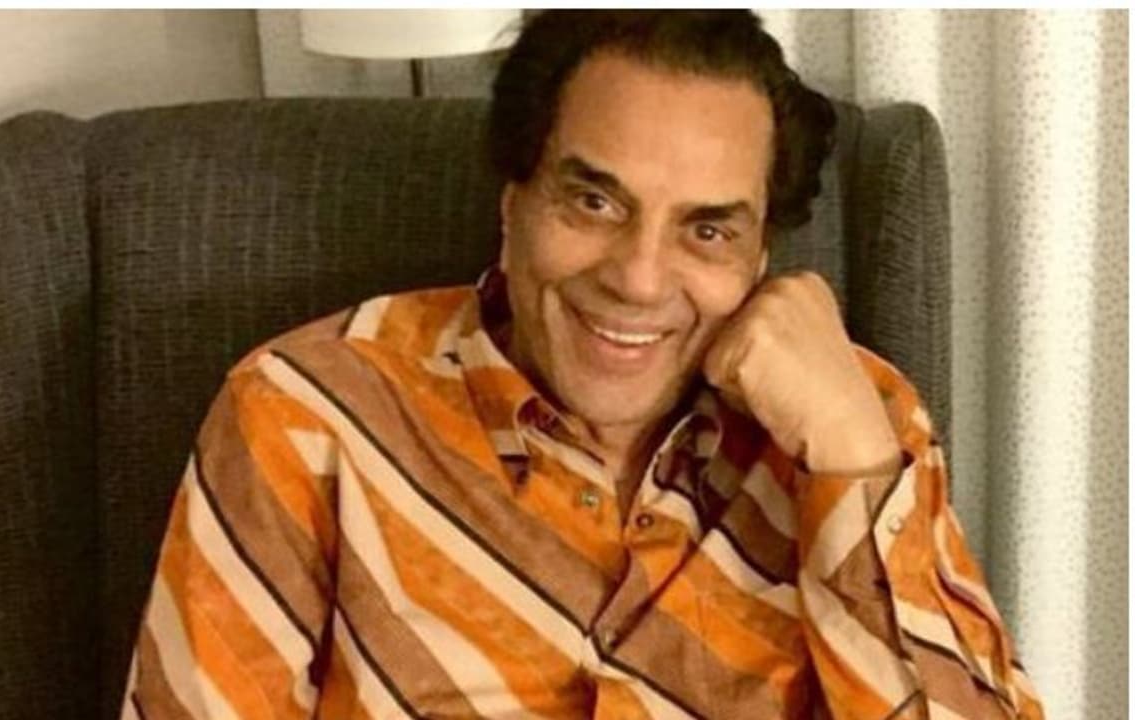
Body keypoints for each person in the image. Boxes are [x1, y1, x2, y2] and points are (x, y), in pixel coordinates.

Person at [120, 10, 1042, 720]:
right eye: (594, 202)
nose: (639, 279)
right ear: (513, 201)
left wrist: (850, 456)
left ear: (760, 257)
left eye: (707, 230)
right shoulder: (304, 413)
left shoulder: (855, 419)